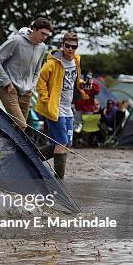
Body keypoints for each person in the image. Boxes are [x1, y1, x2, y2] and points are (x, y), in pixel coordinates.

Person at [35, 32, 88, 179]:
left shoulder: (76, 61)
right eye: (68, 46)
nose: (71, 49)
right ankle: (59, 179)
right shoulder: (52, 63)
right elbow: (41, 81)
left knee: (67, 143)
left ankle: (33, 157)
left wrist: (83, 85)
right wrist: (45, 99)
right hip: (55, 108)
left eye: (74, 47)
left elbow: (74, 81)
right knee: (61, 143)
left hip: (68, 109)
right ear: (62, 46)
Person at [0, 17, 53, 130]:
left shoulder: (42, 47)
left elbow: (37, 70)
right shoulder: (17, 41)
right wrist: (7, 83)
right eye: (42, 33)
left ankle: (6, 147)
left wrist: (32, 86)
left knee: (20, 129)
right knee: (21, 124)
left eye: (47, 35)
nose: (44, 37)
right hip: (9, 89)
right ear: (34, 29)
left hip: (27, 92)